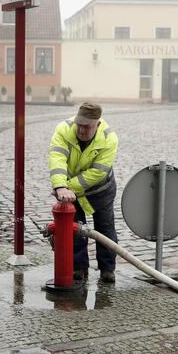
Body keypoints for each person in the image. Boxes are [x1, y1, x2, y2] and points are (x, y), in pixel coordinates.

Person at [48, 102, 119, 283]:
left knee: (105, 228)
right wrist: (59, 186)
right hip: (71, 192)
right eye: (79, 124)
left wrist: (67, 187)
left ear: (98, 124)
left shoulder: (109, 139)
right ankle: (78, 268)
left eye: (87, 126)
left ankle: (107, 269)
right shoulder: (64, 129)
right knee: (75, 229)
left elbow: (98, 171)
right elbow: (57, 158)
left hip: (100, 191)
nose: (81, 130)